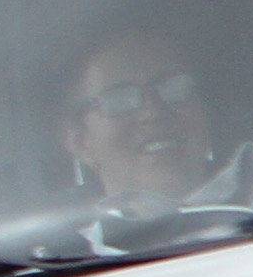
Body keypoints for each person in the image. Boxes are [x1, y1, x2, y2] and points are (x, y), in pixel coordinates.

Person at [60, 29, 220, 211]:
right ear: (79, 142)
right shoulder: (69, 239)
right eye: (119, 99)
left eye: (175, 87)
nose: (152, 112)